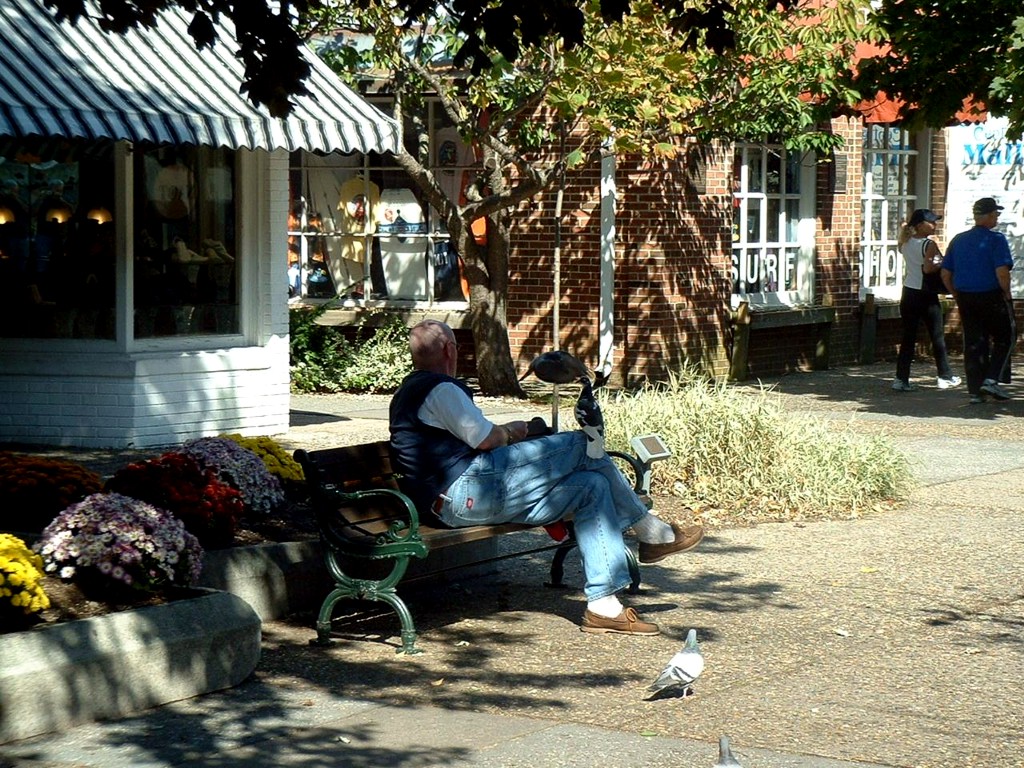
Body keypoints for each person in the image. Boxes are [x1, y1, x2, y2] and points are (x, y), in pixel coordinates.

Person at [389, 319, 704, 637]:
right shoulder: (441, 388)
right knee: (582, 444)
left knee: (591, 487)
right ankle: (652, 533)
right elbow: (485, 439)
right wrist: (512, 431)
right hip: (465, 493)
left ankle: (604, 607)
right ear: (449, 349)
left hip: (455, 502)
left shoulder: (409, 392)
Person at [941, 197, 1016, 404]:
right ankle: (991, 380)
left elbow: (945, 274)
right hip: (991, 295)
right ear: (989, 216)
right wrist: (1007, 293)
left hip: (966, 297)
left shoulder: (958, 240)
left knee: (974, 342)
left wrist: (955, 294)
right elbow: (1002, 272)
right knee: (1005, 337)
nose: (997, 218)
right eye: (996, 215)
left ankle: (975, 391)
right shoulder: (996, 239)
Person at [891, 209, 961, 392]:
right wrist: (943, 262)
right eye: (931, 222)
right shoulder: (928, 244)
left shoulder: (905, 242)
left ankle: (901, 379)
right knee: (936, 336)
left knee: (908, 337)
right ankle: (945, 376)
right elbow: (928, 269)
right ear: (921, 225)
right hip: (926, 294)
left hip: (908, 292)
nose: (935, 225)